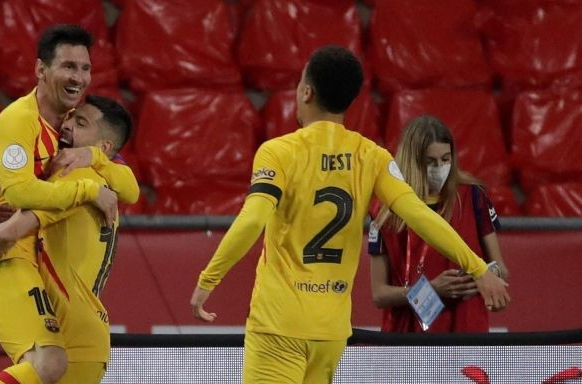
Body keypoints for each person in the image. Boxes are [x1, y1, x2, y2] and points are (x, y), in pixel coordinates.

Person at [189, 46, 510, 384]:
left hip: (279, 325)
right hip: (330, 333)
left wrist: (208, 280)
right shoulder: (371, 156)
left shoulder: (278, 152)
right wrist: (479, 268)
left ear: (307, 92)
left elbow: (253, 220)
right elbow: (420, 215)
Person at [0, 24, 138, 384]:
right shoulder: (19, 120)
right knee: (49, 362)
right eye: (68, 66)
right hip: (6, 254)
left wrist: (93, 155)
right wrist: (87, 192)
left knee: (51, 368)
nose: (79, 77)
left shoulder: (72, 129)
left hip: (36, 260)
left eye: (85, 68)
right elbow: (20, 193)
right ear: (40, 69)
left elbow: (130, 187)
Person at [368, 115, 508, 333]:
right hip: (408, 335)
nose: (440, 167)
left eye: (445, 159)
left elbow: (500, 267)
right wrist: (431, 289)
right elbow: (379, 294)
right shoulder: (384, 209)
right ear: (412, 161)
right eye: (430, 162)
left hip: (468, 330)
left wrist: (485, 278)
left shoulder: (473, 196)